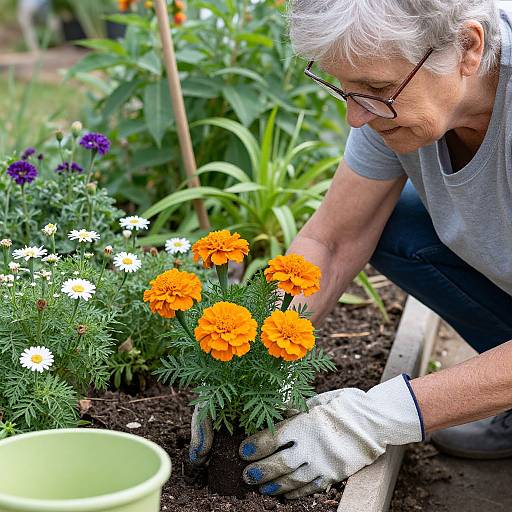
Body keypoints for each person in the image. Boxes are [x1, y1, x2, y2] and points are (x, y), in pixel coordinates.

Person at [189, 0, 512, 499]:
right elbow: (332, 239)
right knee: (394, 224)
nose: (356, 117)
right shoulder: (403, 106)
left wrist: (380, 417)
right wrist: (258, 356)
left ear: (469, 48)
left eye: (379, 90)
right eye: (347, 90)